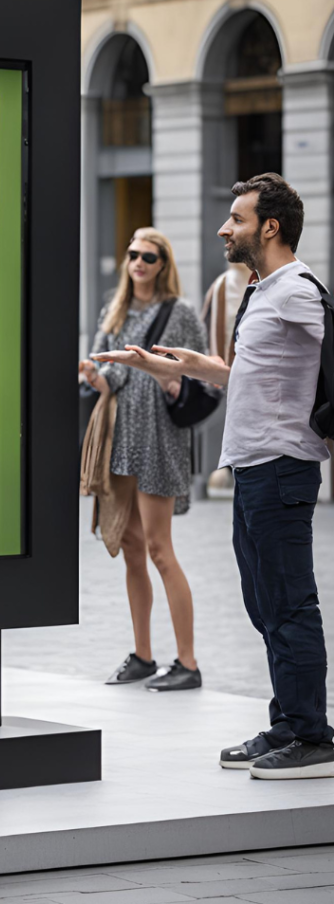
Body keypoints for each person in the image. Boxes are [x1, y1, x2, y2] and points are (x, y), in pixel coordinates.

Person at [94, 173, 334, 779]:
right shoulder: (262, 290)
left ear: (269, 227)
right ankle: (287, 723)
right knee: (264, 603)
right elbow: (243, 376)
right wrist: (171, 364)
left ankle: (314, 737)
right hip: (253, 469)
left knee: (290, 603)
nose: (226, 228)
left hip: (284, 466)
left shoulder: (299, 291)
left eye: (237, 219)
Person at [79, 228, 207, 692]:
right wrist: (95, 375)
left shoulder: (180, 313)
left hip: (157, 437)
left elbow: (204, 377)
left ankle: (188, 664)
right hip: (119, 438)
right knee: (132, 549)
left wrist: (172, 381)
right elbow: (107, 378)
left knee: (160, 549)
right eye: (132, 254)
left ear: (162, 264)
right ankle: (143, 655)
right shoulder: (113, 310)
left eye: (148, 257)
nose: (138, 262)